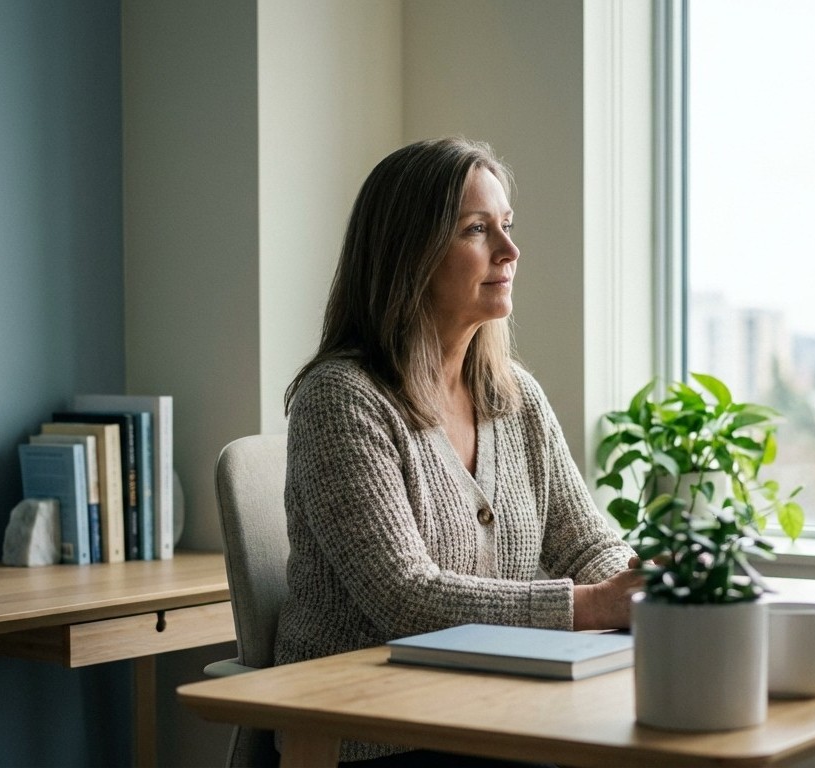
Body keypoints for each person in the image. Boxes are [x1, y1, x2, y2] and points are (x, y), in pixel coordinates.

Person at [274, 137, 642, 766]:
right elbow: (407, 599)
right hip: (375, 735)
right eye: (478, 230)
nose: (510, 251)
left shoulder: (512, 394)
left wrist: (647, 581)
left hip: (500, 716)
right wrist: (590, 606)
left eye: (507, 226)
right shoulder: (341, 399)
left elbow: (582, 543)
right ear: (407, 256)